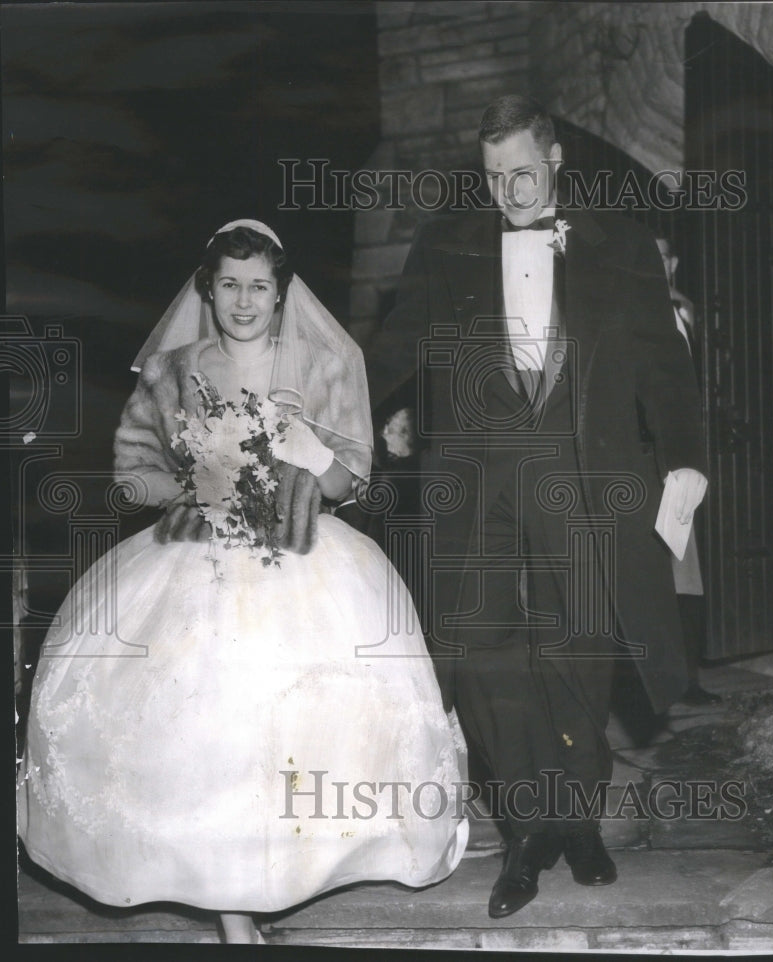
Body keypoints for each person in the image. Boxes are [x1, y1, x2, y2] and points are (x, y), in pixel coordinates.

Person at [17, 220, 468, 944]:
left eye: (260, 285)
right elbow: (131, 476)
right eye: (229, 284)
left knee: (289, 724)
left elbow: (355, 479)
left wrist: (310, 454)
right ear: (208, 288)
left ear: (282, 293)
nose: (244, 300)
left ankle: (289, 867)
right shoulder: (174, 371)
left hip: (303, 557)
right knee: (204, 725)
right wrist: (189, 486)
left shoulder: (324, 363)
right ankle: (235, 912)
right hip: (194, 556)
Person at [366, 96, 707, 919]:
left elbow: (663, 364)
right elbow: (393, 346)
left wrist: (687, 460)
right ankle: (524, 827)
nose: (510, 190)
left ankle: (576, 818)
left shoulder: (619, 243)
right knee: (485, 654)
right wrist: (346, 424)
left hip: (584, 473)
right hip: (476, 479)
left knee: (580, 645)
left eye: (523, 171)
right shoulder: (446, 244)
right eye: (494, 177)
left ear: (555, 162)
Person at [655, 236, 721, 707]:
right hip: (656, 459)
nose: (656, 263)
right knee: (662, 570)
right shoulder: (629, 311)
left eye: (663, 254)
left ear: (674, 261)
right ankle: (659, 681)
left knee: (690, 571)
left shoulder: (692, 312)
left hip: (695, 456)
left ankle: (688, 678)